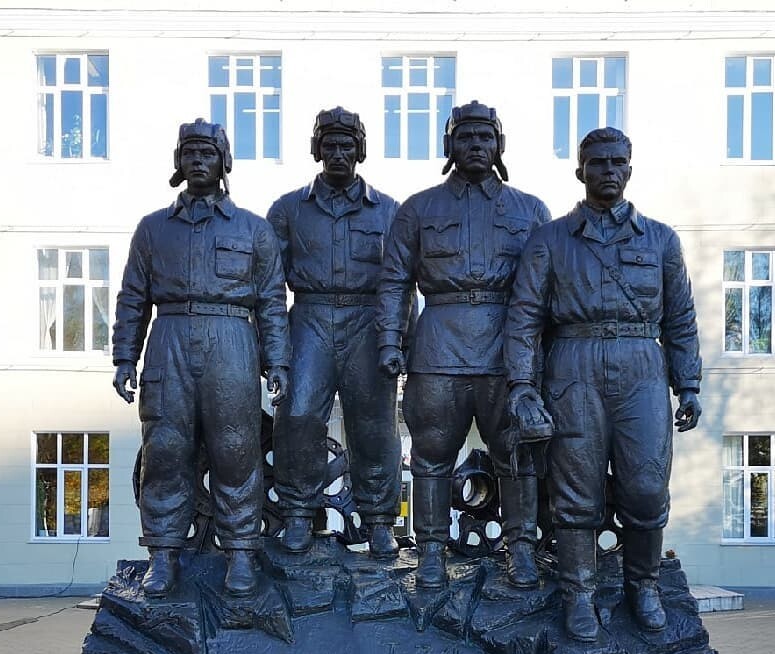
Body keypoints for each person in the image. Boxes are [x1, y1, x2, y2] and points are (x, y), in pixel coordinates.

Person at [505, 127, 702, 642]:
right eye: (597, 163)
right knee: (576, 491)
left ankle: (644, 585)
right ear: (580, 171)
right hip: (573, 364)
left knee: (645, 485)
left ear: (630, 170)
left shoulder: (661, 239)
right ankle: (579, 595)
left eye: (617, 162)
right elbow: (524, 318)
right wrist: (523, 388)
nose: (608, 171)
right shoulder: (549, 240)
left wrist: (690, 384)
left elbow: (680, 317)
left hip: (641, 365)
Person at [112, 118, 290, 599]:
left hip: (231, 339)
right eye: (189, 152)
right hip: (169, 338)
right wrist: (125, 357)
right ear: (178, 162)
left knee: (237, 450)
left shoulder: (254, 230)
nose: (197, 160)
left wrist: (278, 362)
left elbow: (272, 302)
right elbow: (133, 298)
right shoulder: (153, 230)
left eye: (207, 153)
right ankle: (164, 554)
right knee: (165, 449)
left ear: (224, 162)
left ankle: (240, 553)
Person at [377, 101, 551, 589]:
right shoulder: (418, 208)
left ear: (500, 145)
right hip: (439, 342)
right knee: (431, 455)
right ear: (449, 146)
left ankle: (521, 550)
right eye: (465, 136)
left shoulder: (530, 209)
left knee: (516, 454)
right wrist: (391, 339)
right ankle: (431, 549)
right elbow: (394, 280)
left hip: (506, 346)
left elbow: (546, 288)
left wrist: (543, 357)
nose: (476, 145)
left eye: (485, 137)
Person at [267, 107, 401, 558]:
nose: (338, 153)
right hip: (309, 315)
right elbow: (267, 286)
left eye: (347, 145)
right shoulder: (287, 210)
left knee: (375, 423)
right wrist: (271, 351)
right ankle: (299, 513)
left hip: (368, 319)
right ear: (316, 149)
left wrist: (404, 344)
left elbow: (404, 285)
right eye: (330, 145)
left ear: (360, 150)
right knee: (298, 416)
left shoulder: (389, 211)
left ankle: (380, 519)